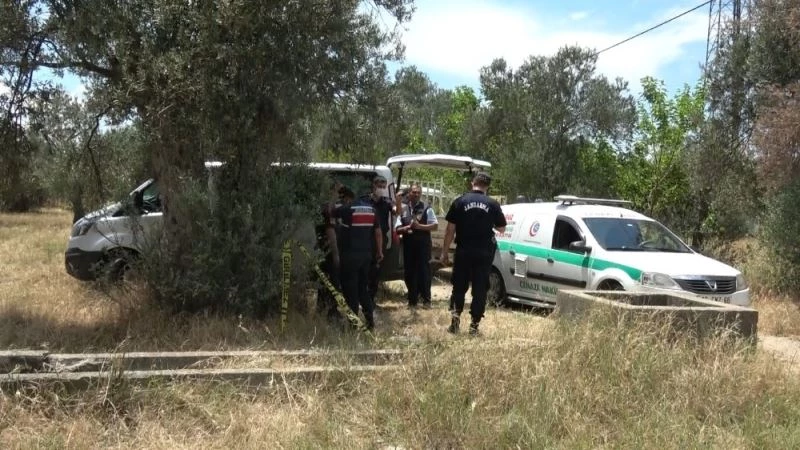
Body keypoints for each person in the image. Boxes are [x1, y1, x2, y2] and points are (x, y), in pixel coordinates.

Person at [440, 172, 507, 335]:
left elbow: (450, 230)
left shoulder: (460, 201)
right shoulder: (493, 204)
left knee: (459, 287)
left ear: (473, 183)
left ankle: (454, 324)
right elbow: (501, 228)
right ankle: (474, 327)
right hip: (483, 253)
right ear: (487, 186)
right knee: (480, 289)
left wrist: (444, 252)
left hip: (463, 251)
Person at [334, 184, 384, 330]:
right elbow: (378, 232)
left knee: (350, 290)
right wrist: (379, 251)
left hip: (350, 255)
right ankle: (370, 322)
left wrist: (333, 198)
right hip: (366, 256)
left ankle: (353, 325)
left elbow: (329, 212)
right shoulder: (372, 210)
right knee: (363, 289)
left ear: (348, 198)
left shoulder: (348, 209)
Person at [395, 183, 438, 309]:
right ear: (409, 193)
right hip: (409, 246)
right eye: (414, 192)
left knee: (424, 272)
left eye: (418, 192)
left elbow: (435, 226)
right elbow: (397, 228)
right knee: (409, 273)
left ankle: (426, 301)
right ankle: (412, 301)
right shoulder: (403, 208)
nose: (416, 194)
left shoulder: (426, 208)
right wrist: (406, 228)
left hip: (423, 246)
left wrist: (419, 227)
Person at [315, 182, 342, 321]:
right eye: (337, 192)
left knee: (324, 281)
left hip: (321, 251)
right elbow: (330, 232)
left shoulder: (322, 207)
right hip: (329, 252)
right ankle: (332, 312)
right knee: (333, 281)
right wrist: (336, 254)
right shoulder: (328, 210)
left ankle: (321, 309)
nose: (338, 195)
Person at [367, 175, 394, 309]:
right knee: (365, 268)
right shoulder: (366, 200)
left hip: (381, 239)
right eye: (379, 186)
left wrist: (398, 201)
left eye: (384, 187)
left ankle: (371, 299)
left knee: (376, 270)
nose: (382, 189)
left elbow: (396, 211)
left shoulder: (387, 202)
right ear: (373, 186)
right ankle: (363, 298)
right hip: (366, 238)